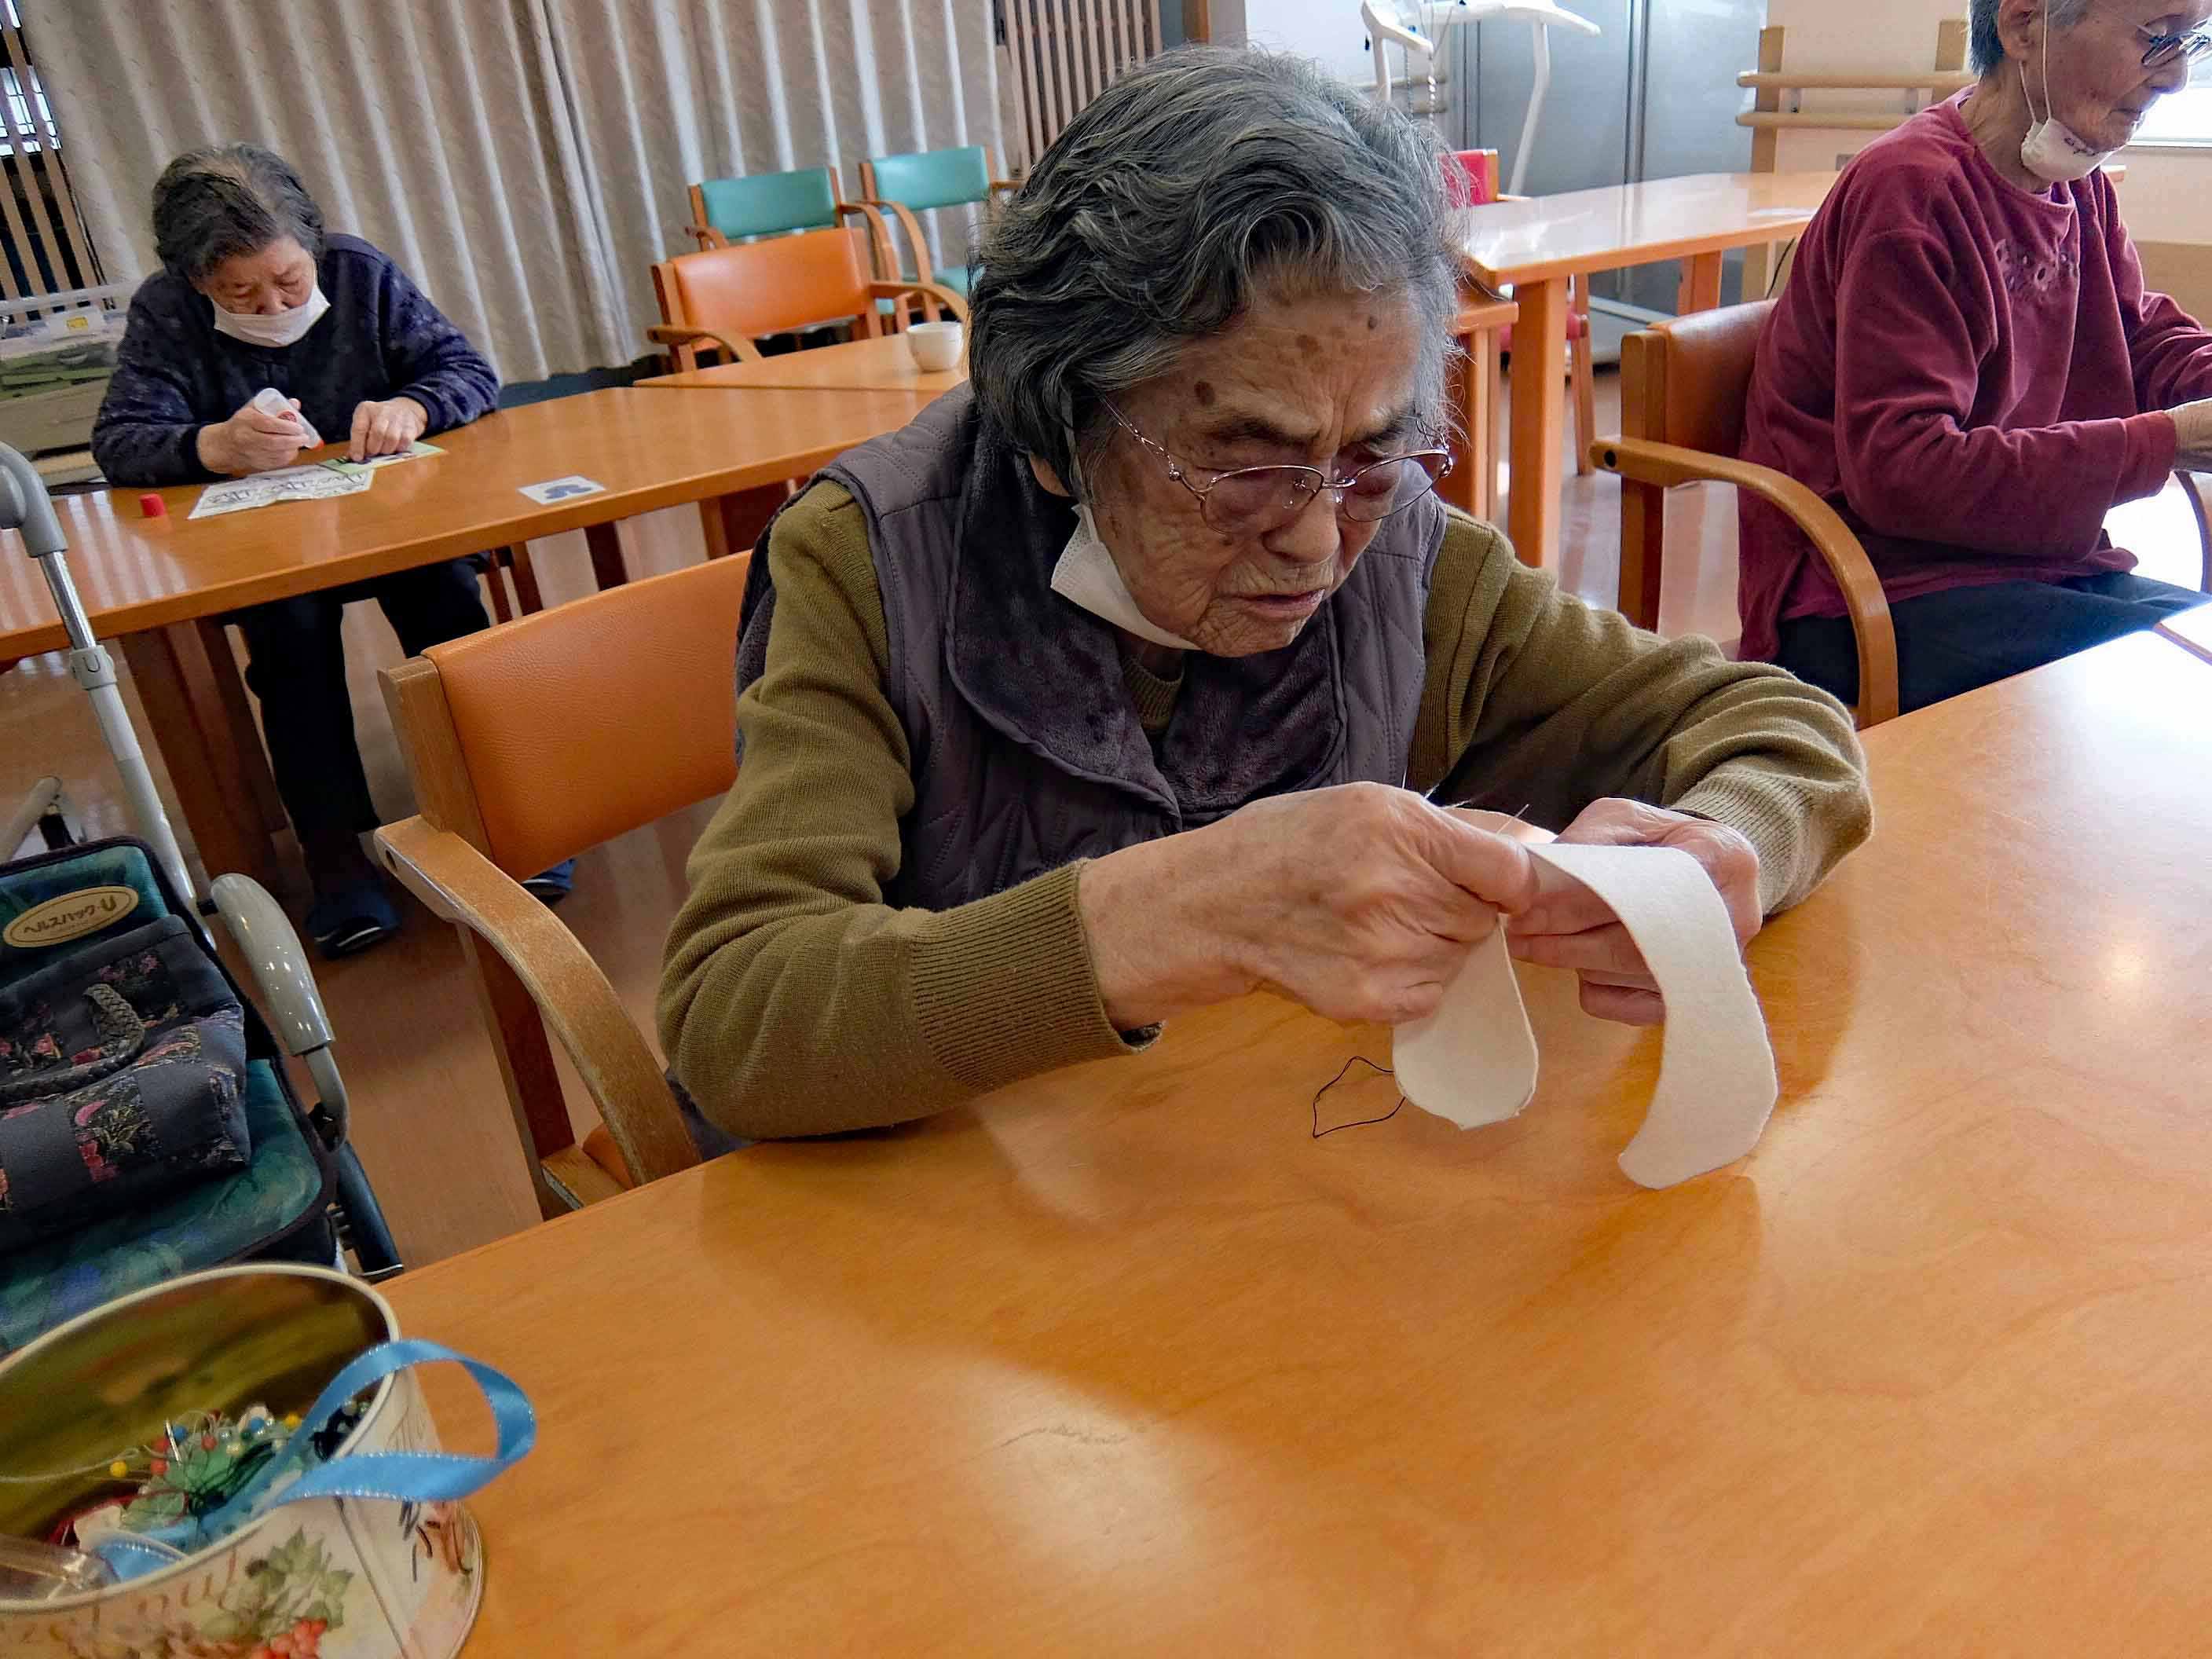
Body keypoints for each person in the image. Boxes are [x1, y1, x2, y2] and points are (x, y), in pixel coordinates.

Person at [659, 49, 1873, 1143]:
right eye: (1245, 463)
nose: (1313, 541)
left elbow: (1775, 725)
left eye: (1370, 455)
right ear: (1059, 415)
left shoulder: (1405, 557)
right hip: (968, 1276)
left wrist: (1731, 848)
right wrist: (1168, 914)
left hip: (1264, 1194)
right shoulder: (878, 564)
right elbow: (737, 1015)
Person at [93, 142, 566, 954]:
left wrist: (412, 408)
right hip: (267, 545)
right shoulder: (166, 312)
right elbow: (120, 439)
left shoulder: (358, 272)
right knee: (290, 649)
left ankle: (503, 821)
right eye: (239, 292)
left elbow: (465, 370)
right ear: (197, 281)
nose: (272, 305)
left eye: (288, 282)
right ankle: (338, 864)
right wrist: (211, 446)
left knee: (450, 615)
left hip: (397, 517)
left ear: (313, 248)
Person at [1738, 0, 2212, 713]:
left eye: (2191, 41)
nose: (2176, 77)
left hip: (2030, 567)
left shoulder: (2073, 173)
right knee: (2177, 702)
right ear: (2024, 27)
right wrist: (2167, 439)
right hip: (1875, 596)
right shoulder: (1912, 191)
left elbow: (2136, 335)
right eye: (2157, 40)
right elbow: (1904, 471)